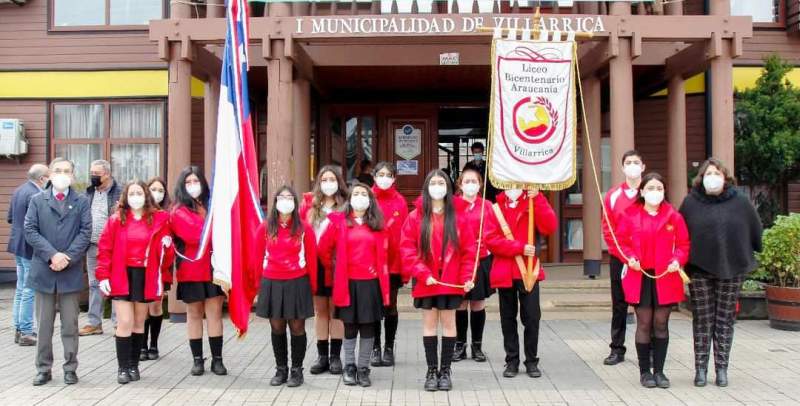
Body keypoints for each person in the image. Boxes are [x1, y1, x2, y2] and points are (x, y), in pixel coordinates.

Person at [679, 158, 762, 388]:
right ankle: (700, 369)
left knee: (724, 320)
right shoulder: (690, 203)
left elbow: (755, 229)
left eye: (716, 173)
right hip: (699, 269)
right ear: (701, 178)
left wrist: (749, 251)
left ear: (725, 177)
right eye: (708, 174)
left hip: (732, 268)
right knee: (703, 320)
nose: (712, 178)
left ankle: (722, 368)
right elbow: (680, 232)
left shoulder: (740, 202)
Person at [400, 169, 477, 392]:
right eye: (433, 183)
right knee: (430, 325)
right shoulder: (415, 216)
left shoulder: (459, 216)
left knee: (450, 324)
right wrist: (423, 273)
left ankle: (446, 371)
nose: (437, 187)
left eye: (441, 183)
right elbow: (407, 249)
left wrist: (467, 278)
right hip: (427, 280)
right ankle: (431, 370)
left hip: (451, 280)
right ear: (426, 187)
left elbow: (469, 252)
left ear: (448, 187)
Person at [95, 181, 174, 384]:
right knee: (125, 322)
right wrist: (103, 276)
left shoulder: (158, 219)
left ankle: (133, 365)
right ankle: (122, 368)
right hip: (122, 275)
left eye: (139, 192)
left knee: (139, 323)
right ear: (126, 197)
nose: (136, 196)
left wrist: (167, 245)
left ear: (146, 195)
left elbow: (167, 255)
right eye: (132, 193)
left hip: (145, 276)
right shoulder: (116, 220)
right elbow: (105, 250)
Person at [617, 172, 690, 389]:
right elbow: (622, 243)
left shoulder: (673, 216)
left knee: (661, 323)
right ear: (642, 192)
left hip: (665, 276)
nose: (655, 192)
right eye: (650, 188)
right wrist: (629, 258)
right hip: (640, 276)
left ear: (664, 192)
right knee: (644, 323)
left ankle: (659, 371)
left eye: (659, 188)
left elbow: (684, 245)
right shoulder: (629, 215)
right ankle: (644, 371)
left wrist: (677, 260)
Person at [24, 157, 92, 386]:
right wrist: (52, 254)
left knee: (70, 325)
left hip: (69, 272)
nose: (62, 174)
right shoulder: (36, 200)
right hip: (44, 270)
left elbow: (85, 233)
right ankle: (43, 368)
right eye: (58, 170)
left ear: (73, 176)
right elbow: (30, 230)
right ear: (50, 175)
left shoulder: (81, 201)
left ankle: (70, 368)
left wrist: (67, 257)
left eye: (67, 171)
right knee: (44, 325)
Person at [319, 183, 390, 387]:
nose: (360, 197)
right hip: (347, 283)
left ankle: (363, 368)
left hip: (370, 284)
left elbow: (387, 252)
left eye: (364, 194)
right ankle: (349, 366)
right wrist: (335, 267)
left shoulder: (377, 223)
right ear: (349, 199)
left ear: (370, 200)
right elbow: (324, 249)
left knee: (368, 327)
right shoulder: (338, 222)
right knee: (349, 327)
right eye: (356, 194)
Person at [485, 187, 557, 379]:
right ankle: (512, 360)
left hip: (529, 270)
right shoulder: (496, 207)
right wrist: (519, 248)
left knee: (532, 317)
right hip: (505, 269)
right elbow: (490, 240)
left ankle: (532, 361)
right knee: (507, 319)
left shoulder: (533, 202)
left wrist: (539, 198)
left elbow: (549, 226)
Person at [254, 186, 317, 388]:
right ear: (275, 202)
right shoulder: (264, 228)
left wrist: (312, 288)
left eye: (290, 197)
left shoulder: (304, 229)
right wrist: (257, 288)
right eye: (282, 197)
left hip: (297, 282)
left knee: (297, 327)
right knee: (277, 326)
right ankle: (281, 369)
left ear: (296, 203)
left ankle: (297, 370)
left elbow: (312, 260)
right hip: (271, 282)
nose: (286, 200)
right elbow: (256, 259)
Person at [170, 166, 227, 376]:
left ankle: (218, 360)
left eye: (196, 181)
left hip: (214, 268)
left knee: (215, 314)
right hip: (191, 270)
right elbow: (196, 236)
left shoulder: (213, 205)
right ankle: (197, 360)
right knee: (194, 314)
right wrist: (215, 227)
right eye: (188, 182)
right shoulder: (178, 211)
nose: (193, 186)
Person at [300, 165, 348, 376]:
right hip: (316, 265)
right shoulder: (309, 207)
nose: (328, 183)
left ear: (339, 182)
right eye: (324, 179)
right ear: (318, 183)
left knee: (336, 311)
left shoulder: (345, 207)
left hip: (339, 265)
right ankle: (322, 356)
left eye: (332, 179)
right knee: (321, 311)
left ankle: (336, 356)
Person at [601, 150, 646, 366]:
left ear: (643, 167)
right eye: (628, 162)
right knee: (619, 304)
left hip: (646, 259)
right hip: (620, 258)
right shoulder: (613, 196)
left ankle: (648, 349)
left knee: (645, 305)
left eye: (636, 162)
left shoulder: (651, 192)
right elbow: (608, 230)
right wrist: (624, 255)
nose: (632, 166)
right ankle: (617, 348)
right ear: (622, 168)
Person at [453, 167, 494, 363]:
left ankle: (477, 345)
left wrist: (484, 241)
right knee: (460, 303)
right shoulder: (452, 205)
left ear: (480, 184)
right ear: (460, 184)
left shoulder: (487, 205)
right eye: (467, 181)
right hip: (460, 260)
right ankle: (459, 345)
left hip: (482, 258)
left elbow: (494, 231)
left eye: (474, 181)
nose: (471, 185)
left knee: (477, 303)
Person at [369, 162, 409, 367]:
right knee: (374, 306)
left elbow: (405, 235)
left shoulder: (400, 201)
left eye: (388, 175)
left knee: (391, 305)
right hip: (371, 264)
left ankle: (389, 347)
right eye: (381, 174)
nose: (384, 178)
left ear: (394, 178)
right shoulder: (367, 199)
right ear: (374, 176)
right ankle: (375, 347)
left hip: (393, 264)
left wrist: (404, 267)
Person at [7, 164, 49, 346]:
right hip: (29, 247)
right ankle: (26, 331)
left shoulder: (18, 190)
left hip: (17, 245)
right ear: (42, 179)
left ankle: (18, 327)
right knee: (29, 289)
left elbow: (10, 217)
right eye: (49, 176)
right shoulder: (35, 195)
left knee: (21, 287)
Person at [81, 159, 122, 337]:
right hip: (91, 245)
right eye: (92, 173)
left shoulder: (119, 193)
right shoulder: (89, 193)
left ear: (107, 174)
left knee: (114, 284)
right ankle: (94, 322)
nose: (93, 177)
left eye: (97, 174)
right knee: (94, 284)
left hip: (112, 247)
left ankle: (118, 323)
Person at [139, 177, 172, 361]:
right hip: (142, 266)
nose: (156, 193)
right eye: (153, 189)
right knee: (143, 305)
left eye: (160, 190)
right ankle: (142, 345)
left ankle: (154, 344)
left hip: (160, 267)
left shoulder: (168, 214)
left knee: (156, 305)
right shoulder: (140, 212)